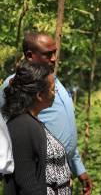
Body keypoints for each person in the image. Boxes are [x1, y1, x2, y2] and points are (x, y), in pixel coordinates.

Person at [1, 32, 92, 194]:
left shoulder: (55, 82)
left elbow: (66, 131)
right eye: (48, 54)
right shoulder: (16, 86)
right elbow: (8, 135)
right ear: (30, 55)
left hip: (60, 176)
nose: (54, 58)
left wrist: (78, 167)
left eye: (55, 52)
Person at [2, 61, 72, 195]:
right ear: (39, 95)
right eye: (52, 89)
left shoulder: (32, 122)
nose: (54, 93)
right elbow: (26, 182)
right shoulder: (21, 126)